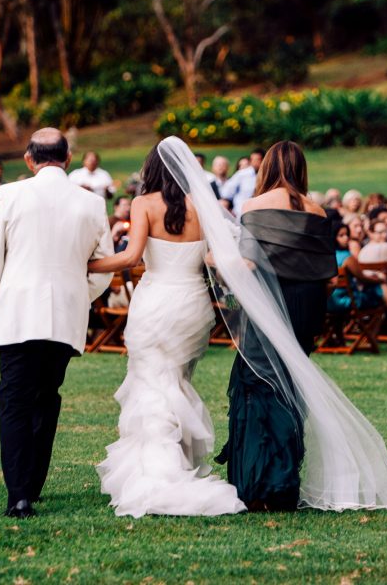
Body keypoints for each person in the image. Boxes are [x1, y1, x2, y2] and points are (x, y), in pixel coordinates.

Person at [152, 137, 387, 512]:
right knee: (290, 383)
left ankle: (259, 484)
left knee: (258, 381)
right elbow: (328, 272)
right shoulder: (318, 211)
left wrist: (216, 260)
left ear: (266, 168)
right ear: (301, 170)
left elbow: (249, 263)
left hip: (271, 303)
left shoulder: (255, 205)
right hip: (308, 305)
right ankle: (284, 482)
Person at [87, 145, 245, 518]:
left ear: (152, 170)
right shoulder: (204, 207)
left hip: (155, 302)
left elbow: (130, 257)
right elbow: (216, 257)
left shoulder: (144, 204)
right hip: (192, 305)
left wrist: (86, 264)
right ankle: (180, 462)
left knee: (153, 384)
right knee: (175, 381)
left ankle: (159, 473)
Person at [0, 128, 113, 519]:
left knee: (15, 402)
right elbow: (103, 268)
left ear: (29, 160)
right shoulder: (92, 203)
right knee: (47, 398)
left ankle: (20, 495)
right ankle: (31, 484)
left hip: (16, 313)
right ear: (68, 159)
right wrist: (76, 294)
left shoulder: (8, 195)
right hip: (65, 317)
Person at [219, 148, 264, 216]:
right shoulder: (242, 174)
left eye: (257, 160)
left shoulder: (268, 176)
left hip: (260, 214)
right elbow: (226, 193)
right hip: (241, 213)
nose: (254, 163)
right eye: (252, 160)